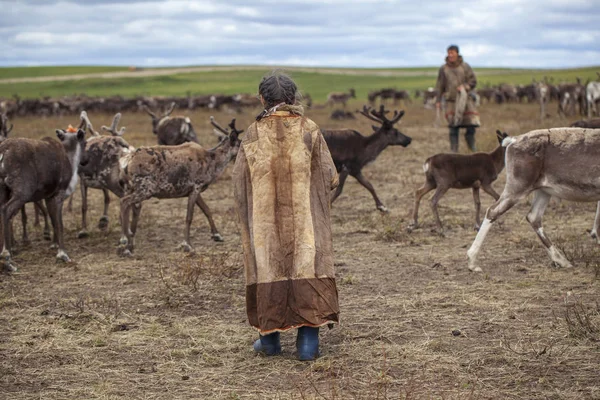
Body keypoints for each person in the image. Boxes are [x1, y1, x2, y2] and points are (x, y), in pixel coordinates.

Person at [232, 71, 340, 361]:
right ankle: (307, 346)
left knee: (267, 268)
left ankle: (269, 343)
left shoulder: (253, 133)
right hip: (305, 223)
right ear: (293, 98)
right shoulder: (310, 129)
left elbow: (239, 183)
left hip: (265, 225)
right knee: (308, 267)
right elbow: (330, 177)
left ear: (262, 98)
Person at [435, 45, 480, 152]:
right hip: (451, 101)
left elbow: (473, 81)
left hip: (465, 101)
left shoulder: (465, 67)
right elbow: (440, 85)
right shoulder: (444, 69)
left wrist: (465, 87)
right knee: (453, 127)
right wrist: (438, 100)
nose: (450, 55)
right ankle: (454, 151)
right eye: (448, 53)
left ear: (457, 53)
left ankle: (472, 148)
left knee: (471, 125)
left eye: (452, 53)